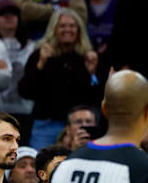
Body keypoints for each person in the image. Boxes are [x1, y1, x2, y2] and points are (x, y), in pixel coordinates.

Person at [18, 8, 100, 148]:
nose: (67, 30)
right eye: (62, 26)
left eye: (72, 26)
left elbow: (95, 97)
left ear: (79, 30)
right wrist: (41, 64)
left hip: (79, 125)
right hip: (46, 126)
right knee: (42, 166)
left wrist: (92, 73)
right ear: (53, 29)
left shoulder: (87, 57)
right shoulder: (40, 54)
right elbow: (25, 91)